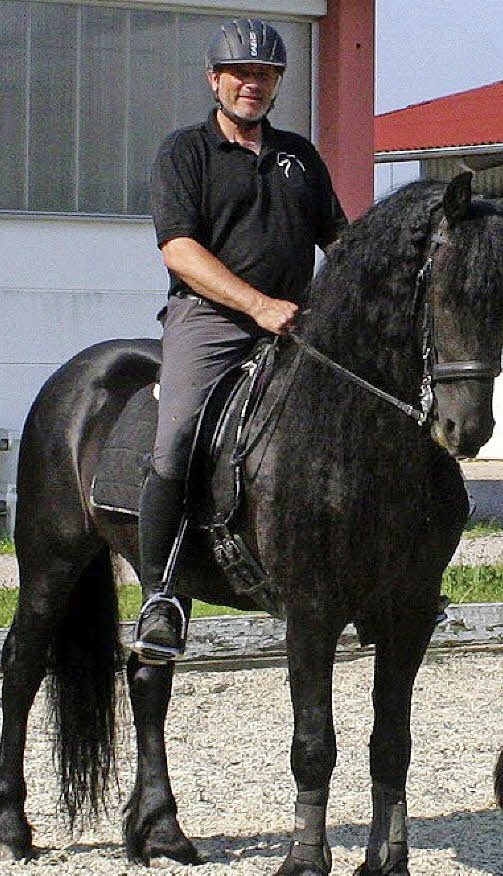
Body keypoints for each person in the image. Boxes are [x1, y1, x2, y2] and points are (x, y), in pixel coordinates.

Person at [132, 19, 347, 662]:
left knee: (368, 418)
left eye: (265, 75)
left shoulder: (300, 157)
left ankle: (382, 574)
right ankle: (161, 596)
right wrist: (257, 305)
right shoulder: (185, 152)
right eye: (241, 73)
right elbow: (179, 249)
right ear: (215, 80)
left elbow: (340, 242)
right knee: (177, 438)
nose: (252, 84)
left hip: (298, 322)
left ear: (276, 84)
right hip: (211, 323)